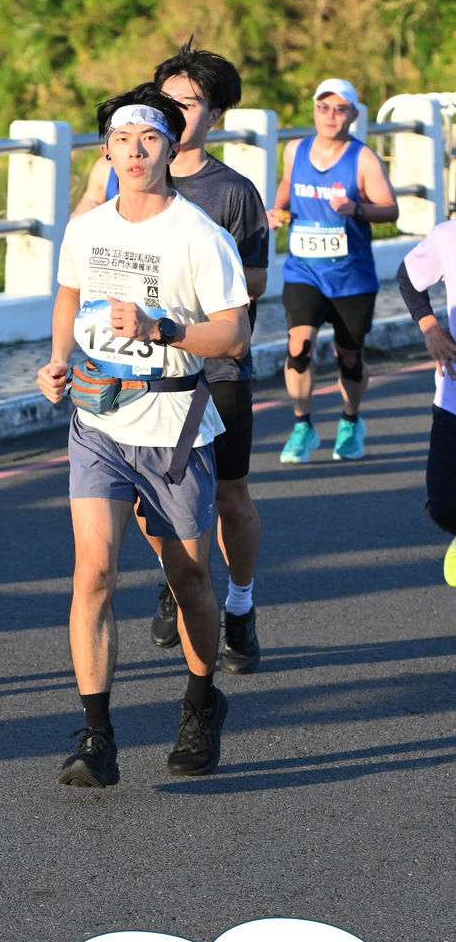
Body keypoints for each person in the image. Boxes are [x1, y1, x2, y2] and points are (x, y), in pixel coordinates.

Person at [36, 84, 251, 787]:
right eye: (123, 140)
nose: (135, 151)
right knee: (92, 571)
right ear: (107, 151)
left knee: (186, 577)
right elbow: (69, 293)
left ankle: (200, 702)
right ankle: (96, 736)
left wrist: (161, 328)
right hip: (97, 421)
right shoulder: (87, 227)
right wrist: (58, 359)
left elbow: (234, 335)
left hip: (173, 426)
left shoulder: (199, 234)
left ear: (170, 148)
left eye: (150, 139)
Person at [74, 41, 269, 673]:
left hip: (212, 371)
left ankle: (238, 601)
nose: (176, 110)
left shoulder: (231, 193)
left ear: (210, 115)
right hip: (130, 376)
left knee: (230, 497)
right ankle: (179, 576)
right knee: (140, 512)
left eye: (190, 102)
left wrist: (181, 290)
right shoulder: (119, 170)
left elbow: (252, 287)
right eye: (169, 98)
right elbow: (84, 253)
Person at [267, 78, 398, 464]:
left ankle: (350, 420)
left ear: (353, 115)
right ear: (314, 110)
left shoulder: (363, 159)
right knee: (299, 346)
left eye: (340, 109)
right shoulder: (296, 150)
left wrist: (357, 208)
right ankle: (302, 426)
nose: (330, 115)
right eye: (323, 107)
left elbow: (390, 209)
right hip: (304, 270)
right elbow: (287, 183)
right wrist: (279, 209)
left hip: (351, 277)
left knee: (349, 356)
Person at [396, 236, 456, 585]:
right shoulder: (449, 235)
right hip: (453, 394)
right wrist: (430, 328)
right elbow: (407, 275)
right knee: (444, 504)